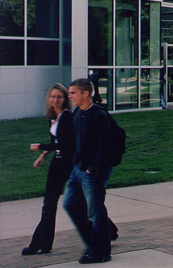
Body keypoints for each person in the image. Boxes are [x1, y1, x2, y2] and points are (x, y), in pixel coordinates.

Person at [23, 84, 118, 256]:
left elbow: (66, 144)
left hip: (70, 163)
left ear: (65, 99)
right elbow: (56, 139)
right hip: (57, 163)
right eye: (52, 96)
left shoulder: (68, 116)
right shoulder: (54, 117)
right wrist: (43, 155)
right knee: (52, 204)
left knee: (85, 203)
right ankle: (42, 243)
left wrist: (42, 147)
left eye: (60, 97)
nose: (55, 100)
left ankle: (104, 238)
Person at [63, 78, 115, 264]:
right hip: (78, 169)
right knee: (70, 204)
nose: (70, 96)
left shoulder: (98, 115)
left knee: (95, 212)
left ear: (86, 93)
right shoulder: (78, 113)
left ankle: (101, 252)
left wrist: (92, 169)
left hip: (92, 172)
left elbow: (105, 146)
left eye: (73, 93)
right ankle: (94, 245)